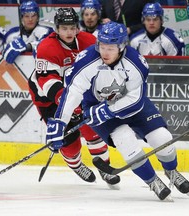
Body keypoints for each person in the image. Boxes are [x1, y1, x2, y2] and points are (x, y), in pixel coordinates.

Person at [45, 21, 189, 201]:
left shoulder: (136, 62)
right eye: (102, 46)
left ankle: (171, 171)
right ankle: (152, 180)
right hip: (96, 108)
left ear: (121, 47)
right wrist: (60, 121)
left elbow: (135, 100)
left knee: (162, 138)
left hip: (130, 106)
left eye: (110, 48)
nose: (104, 52)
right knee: (124, 139)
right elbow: (73, 92)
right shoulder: (87, 59)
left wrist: (108, 110)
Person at [26, 7, 120, 186]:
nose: (69, 32)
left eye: (72, 28)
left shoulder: (90, 41)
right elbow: (48, 82)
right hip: (48, 98)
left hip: (77, 92)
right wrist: (69, 104)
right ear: (57, 29)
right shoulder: (47, 47)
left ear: (77, 27)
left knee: (92, 129)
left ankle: (105, 169)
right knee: (69, 141)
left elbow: (102, 67)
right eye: (64, 28)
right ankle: (76, 164)